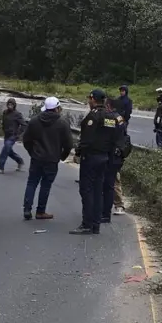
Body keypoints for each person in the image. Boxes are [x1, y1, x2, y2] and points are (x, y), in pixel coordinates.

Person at [71, 89, 119, 235]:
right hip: (104, 158)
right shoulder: (111, 117)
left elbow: (87, 139)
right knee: (98, 191)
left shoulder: (93, 116)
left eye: (89, 99)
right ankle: (96, 224)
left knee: (86, 190)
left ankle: (87, 224)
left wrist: (78, 152)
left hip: (91, 157)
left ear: (93, 99)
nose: (88, 101)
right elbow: (115, 139)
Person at [21, 96, 74, 220]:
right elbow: (68, 144)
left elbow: (26, 139)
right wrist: (62, 156)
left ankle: (27, 209)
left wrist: (32, 152)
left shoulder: (34, 121)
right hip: (52, 160)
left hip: (36, 158)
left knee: (32, 183)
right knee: (45, 185)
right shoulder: (62, 123)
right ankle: (40, 211)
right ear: (57, 108)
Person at [102, 97, 132, 224]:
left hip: (112, 154)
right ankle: (115, 205)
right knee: (113, 180)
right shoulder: (119, 118)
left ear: (108, 106)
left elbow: (107, 135)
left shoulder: (110, 119)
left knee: (112, 181)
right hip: (118, 154)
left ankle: (118, 205)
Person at [0, 98, 26, 173]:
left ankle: (0, 168)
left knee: (5, 150)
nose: (10, 106)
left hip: (13, 136)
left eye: (11, 104)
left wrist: (17, 134)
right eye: (9, 104)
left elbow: (24, 125)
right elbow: (4, 122)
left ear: (14, 105)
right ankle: (20, 161)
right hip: (6, 135)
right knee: (8, 151)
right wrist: (3, 129)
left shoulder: (17, 114)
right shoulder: (5, 112)